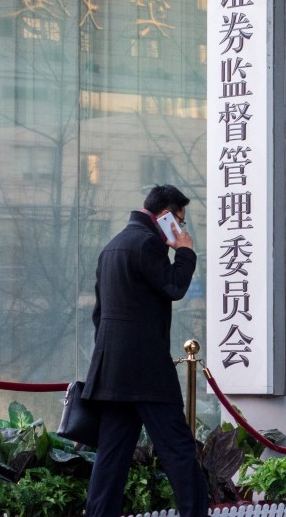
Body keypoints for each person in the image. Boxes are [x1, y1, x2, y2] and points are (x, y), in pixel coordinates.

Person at [82, 184, 209, 517]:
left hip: (112, 372)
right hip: (148, 373)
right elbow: (174, 286)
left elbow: (99, 315)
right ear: (165, 217)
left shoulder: (112, 246)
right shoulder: (148, 244)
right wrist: (185, 251)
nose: (181, 229)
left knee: (111, 458)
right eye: (179, 221)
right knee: (179, 451)